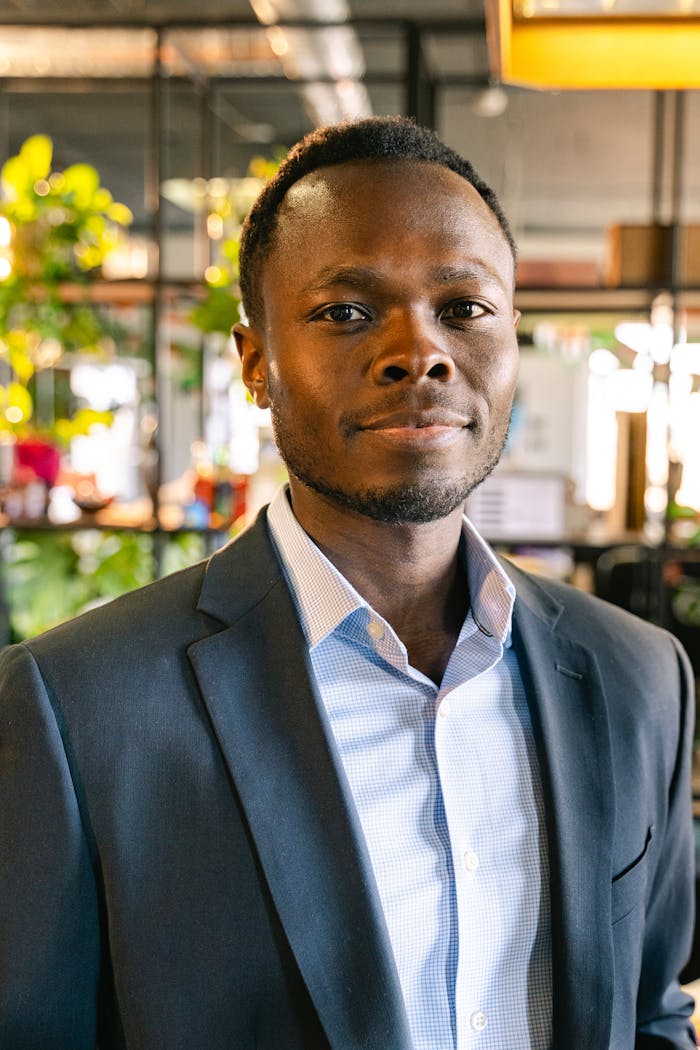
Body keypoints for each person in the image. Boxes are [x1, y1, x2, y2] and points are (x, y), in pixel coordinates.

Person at [0, 116, 695, 1050]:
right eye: (346, 312)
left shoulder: (639, 675)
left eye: (466, 308)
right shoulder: (79, 706)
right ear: (257, 364)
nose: (420, 351)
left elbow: (649, 1011)